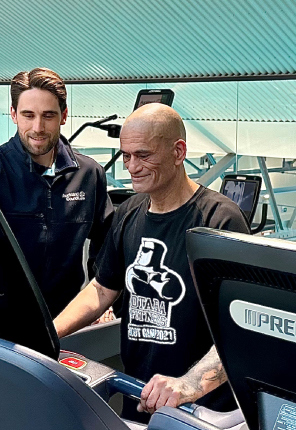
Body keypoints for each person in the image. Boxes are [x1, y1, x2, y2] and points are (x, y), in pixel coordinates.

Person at [54, 103, 250, 422]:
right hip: (141, 395)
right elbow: (102, 289)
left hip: (199, 408)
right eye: (127, 156)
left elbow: (242, 330)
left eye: (144, 155)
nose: (132, 166)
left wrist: (188, 386)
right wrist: (49, 332)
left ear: (178, 151)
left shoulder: (220, 221)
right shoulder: (129, 212)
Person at [0, 68, 113, 316]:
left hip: (69, 319)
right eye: (28, 115)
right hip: (3, 319)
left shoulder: (90, 175)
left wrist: (101, 302)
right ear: (13, 114)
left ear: (64, 116)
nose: (38, 127)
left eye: (48, 116)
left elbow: (106, 249)